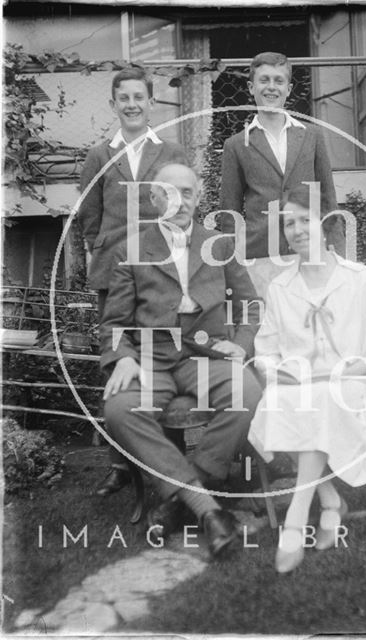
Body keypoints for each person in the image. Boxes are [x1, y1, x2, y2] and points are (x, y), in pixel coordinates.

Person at [100, 163, 263, 558]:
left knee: (246, 392)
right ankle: (208, 510)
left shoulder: (220, 245)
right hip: (151, 359)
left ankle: (182, 498)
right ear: (155, 199)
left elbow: (250, 306)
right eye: (169, 194)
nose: (180, 202)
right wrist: (121, 357)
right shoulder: (131, 248)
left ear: (198, 195)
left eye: (187, 193)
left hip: (207, 355)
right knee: (120, 409)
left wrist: (241, 345)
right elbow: (114, 322)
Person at [247, 185, 366, 573]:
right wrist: (277, 370)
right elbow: (265, 351)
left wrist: (356, 367)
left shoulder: (358, 279)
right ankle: (329, 500)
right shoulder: (281, 287)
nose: (296, 230)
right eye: (288, 223)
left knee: (326, 397)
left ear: (326, 224)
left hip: (350, 381)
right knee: (282, 400)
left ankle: (296, 519)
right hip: (303, 383)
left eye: (304, 220)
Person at [78, 67, 188, 496]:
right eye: (123, 98)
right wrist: (106, 249)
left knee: (162, 352)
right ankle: (119, 463)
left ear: (151, 102)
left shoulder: (171, 150)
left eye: (138, 97)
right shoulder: (98, 154)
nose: (131, 105)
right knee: (116, 359)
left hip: (160, 268)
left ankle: (168, 450)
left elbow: (179, 205)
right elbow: (89, 214)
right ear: (113, 104)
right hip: (113, 270)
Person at [219, 51, 344, 297]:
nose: (271, 87)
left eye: (278, 81)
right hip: (260, 256)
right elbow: (229, 214)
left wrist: (338, 254)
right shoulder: (236, 145)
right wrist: (231, 266)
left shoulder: (311, 136)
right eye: (264, 80)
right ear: (251, 87)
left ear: (289, 89)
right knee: (268, 329)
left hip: (309, 252)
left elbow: (329, 200)